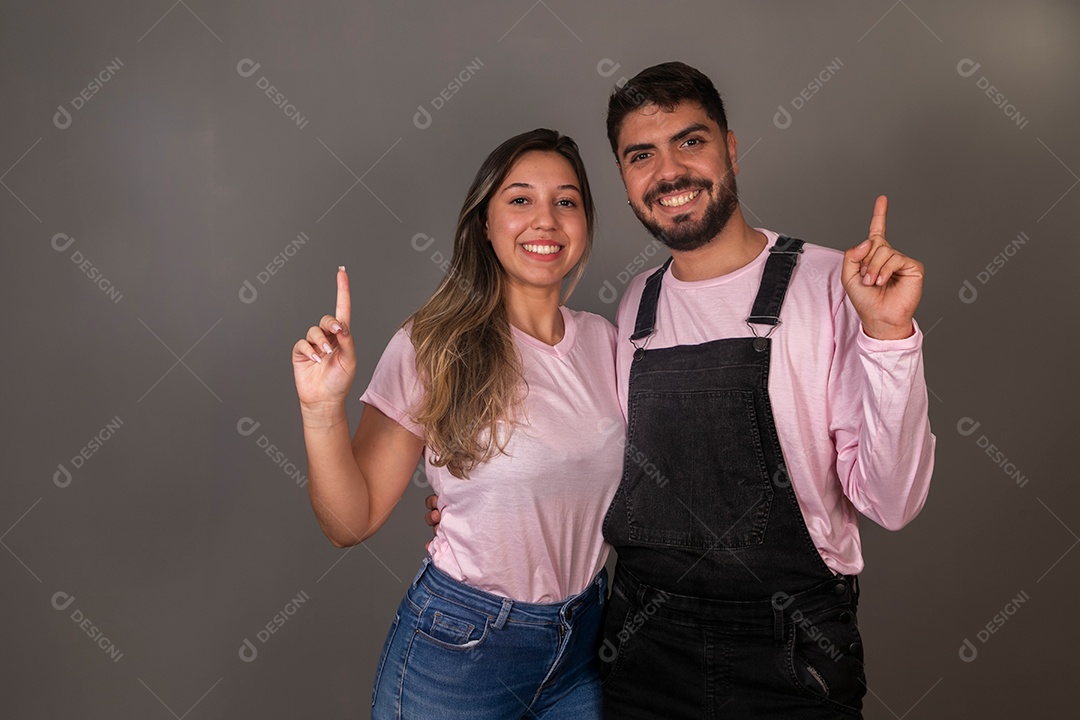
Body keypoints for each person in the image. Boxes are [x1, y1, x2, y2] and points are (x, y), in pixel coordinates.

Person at [428, 62, 936, 718]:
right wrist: (479, 509)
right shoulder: (637, 306)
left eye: (689, 142)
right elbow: (596, 466)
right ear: (625, 177)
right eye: (642, 155)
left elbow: (893, 504)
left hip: (787, 654)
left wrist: (890, 334)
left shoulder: (837, 285)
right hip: (643, 646)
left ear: (730, 148)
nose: (668, 172)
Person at [291, 128, 624, 719]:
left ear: (585, 225)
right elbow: (350, 521)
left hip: (582, 643)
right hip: (463, 648)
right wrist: (321, 410)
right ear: (485, 224)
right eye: (520, 199)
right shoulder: (432, 346)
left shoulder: (610, 343)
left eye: (566, 201)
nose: (545, 219)